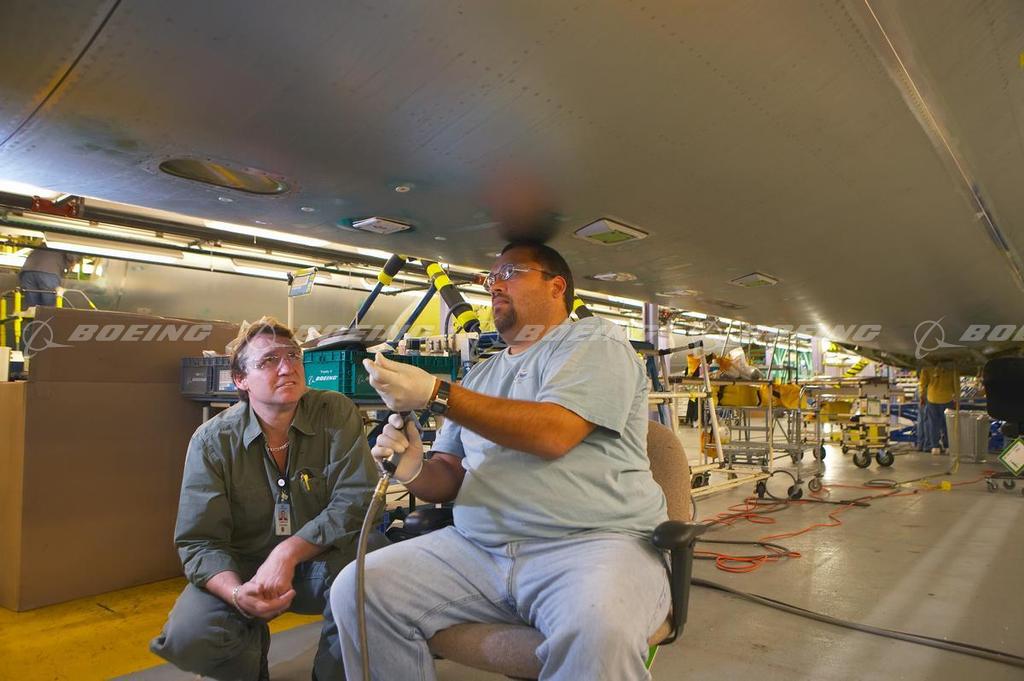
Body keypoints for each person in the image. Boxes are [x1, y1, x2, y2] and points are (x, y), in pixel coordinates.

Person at [331, 242, 670, 681]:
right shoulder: (481, 375)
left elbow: (554, 433)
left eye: (510, 273)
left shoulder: (595, 341)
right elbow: (448, 475)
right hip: (479, 550)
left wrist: (437, 393)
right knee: (358, 589)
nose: (494, 286)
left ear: (556, 287)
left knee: (597, 630)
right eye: (491, 278)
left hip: (591, 545)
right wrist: (411, 467)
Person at [151, 317, 378, 681]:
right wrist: (237, 594)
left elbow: (355, 500)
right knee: (191, 635)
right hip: (242, 568)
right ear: (241, 380)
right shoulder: (212, 442)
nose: (287, 367)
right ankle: (249, 656)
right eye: (269, 360)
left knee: (374, 580)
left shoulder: (335, 413)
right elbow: (199, 541)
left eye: (293, 355)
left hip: (321, 561)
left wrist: (286, 553)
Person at [919, 364, 959, 454]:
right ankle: (948, 446)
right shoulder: (952, 366)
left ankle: (935, 447)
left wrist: (922, 396)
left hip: (932, 398)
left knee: (933, 424)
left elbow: (923, 383)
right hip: (947, 398)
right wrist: (957, 397)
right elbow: (956, 383)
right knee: (947, 424)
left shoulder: (927, 365)